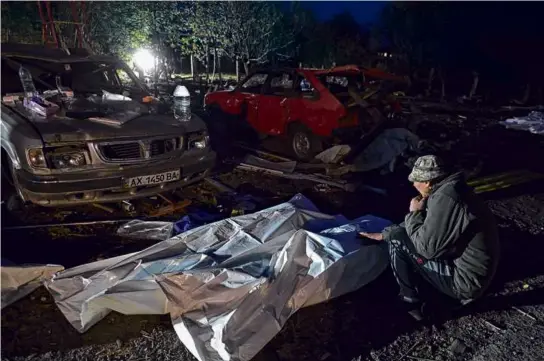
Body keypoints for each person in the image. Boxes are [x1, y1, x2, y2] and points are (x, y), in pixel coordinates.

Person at [361, 155, 500, 321]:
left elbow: (427, 250)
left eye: (415, 181)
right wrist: (384, 233)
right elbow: (430, 225)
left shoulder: (447, 199)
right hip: (471, 269)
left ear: (427, 182)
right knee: (397, 234)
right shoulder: (450, 189)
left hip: (464, 283)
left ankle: (409, 300)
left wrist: (414, 214)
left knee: (398, 240)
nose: (413, 185)